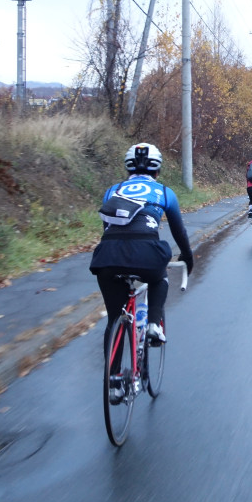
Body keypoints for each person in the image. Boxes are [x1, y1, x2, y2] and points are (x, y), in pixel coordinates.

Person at [90, 142, 194, 399]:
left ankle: (113, 381)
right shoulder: (164, 192)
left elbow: (108, 227)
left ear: (127, 168)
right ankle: (153, 325)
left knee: (114, 318)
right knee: (160, 278)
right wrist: (188, 260)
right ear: (157, 170)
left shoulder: (112, 191)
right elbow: (179, 233)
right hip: (146, 253)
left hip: (107, 256)